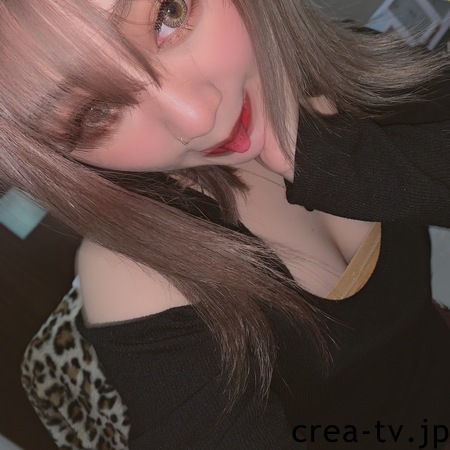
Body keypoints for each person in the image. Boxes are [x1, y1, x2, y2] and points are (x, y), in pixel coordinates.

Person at [1, 0, 450, 448]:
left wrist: (333, 161)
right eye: (94, 114)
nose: (196, 118)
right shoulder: (136, 281)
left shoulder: (343, 69)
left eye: (169, 14)